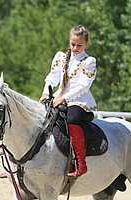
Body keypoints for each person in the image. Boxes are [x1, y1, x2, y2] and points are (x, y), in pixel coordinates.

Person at [39, 25, 97, 177]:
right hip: (58, 96)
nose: (75, 47)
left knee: (72, 119)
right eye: (73, 44)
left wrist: (63, 98)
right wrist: (46, 93)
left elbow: (83, 86)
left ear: (86, 44)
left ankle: (80, 163)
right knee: (38, 116)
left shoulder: (89, 61)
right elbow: (52, 77)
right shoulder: (61, 57)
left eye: (79, 45)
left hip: (79, 100)